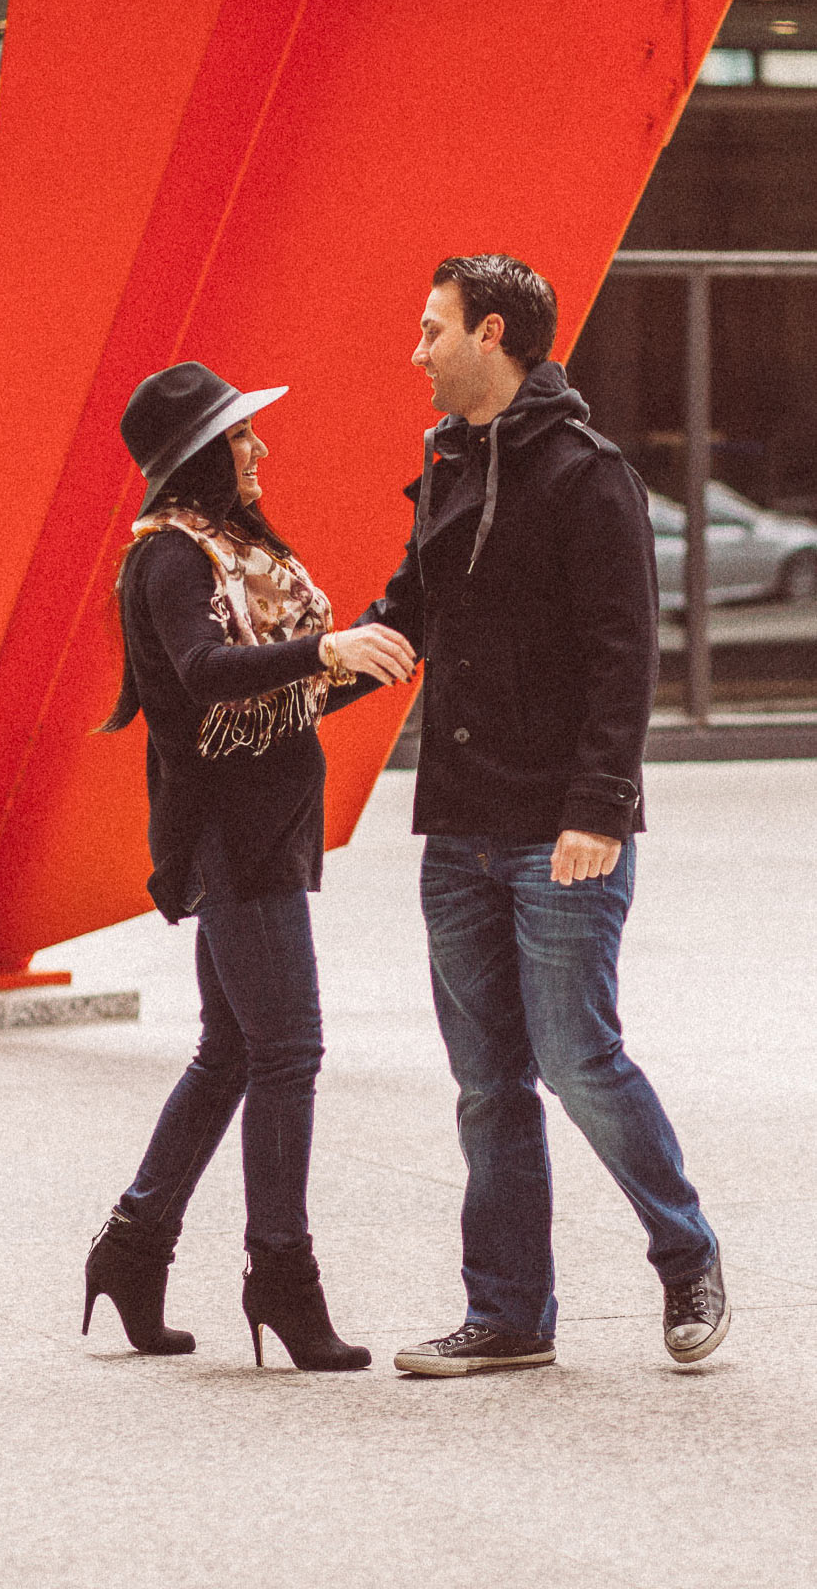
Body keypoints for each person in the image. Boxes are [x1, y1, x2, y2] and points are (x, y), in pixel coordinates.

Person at [330, 254, 729, 1376]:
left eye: (430, 330)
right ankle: (506, 1313)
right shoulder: (447, 459)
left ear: (490, 333)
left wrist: (597, 804)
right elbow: (411, 607)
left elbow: (624, 655)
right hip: (455, 823)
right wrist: (310, 667)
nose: (414, 352)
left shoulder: (584, 472)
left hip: (560, 827)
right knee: (485, 1081)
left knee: (576, 1057)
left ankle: (684, 1250)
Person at [84, 361, 415, 1369]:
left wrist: (379, 646)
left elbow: (280, 707)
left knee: (232, 1051)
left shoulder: (230, 549)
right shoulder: (173, 559)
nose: (258, 450)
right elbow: (203, 677)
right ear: (198, 457)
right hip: (229, 830)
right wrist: (326, 652)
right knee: (287, 1051)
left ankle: (133, 1248)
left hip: (259, 816)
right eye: (240, 437)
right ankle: (279, 1272)